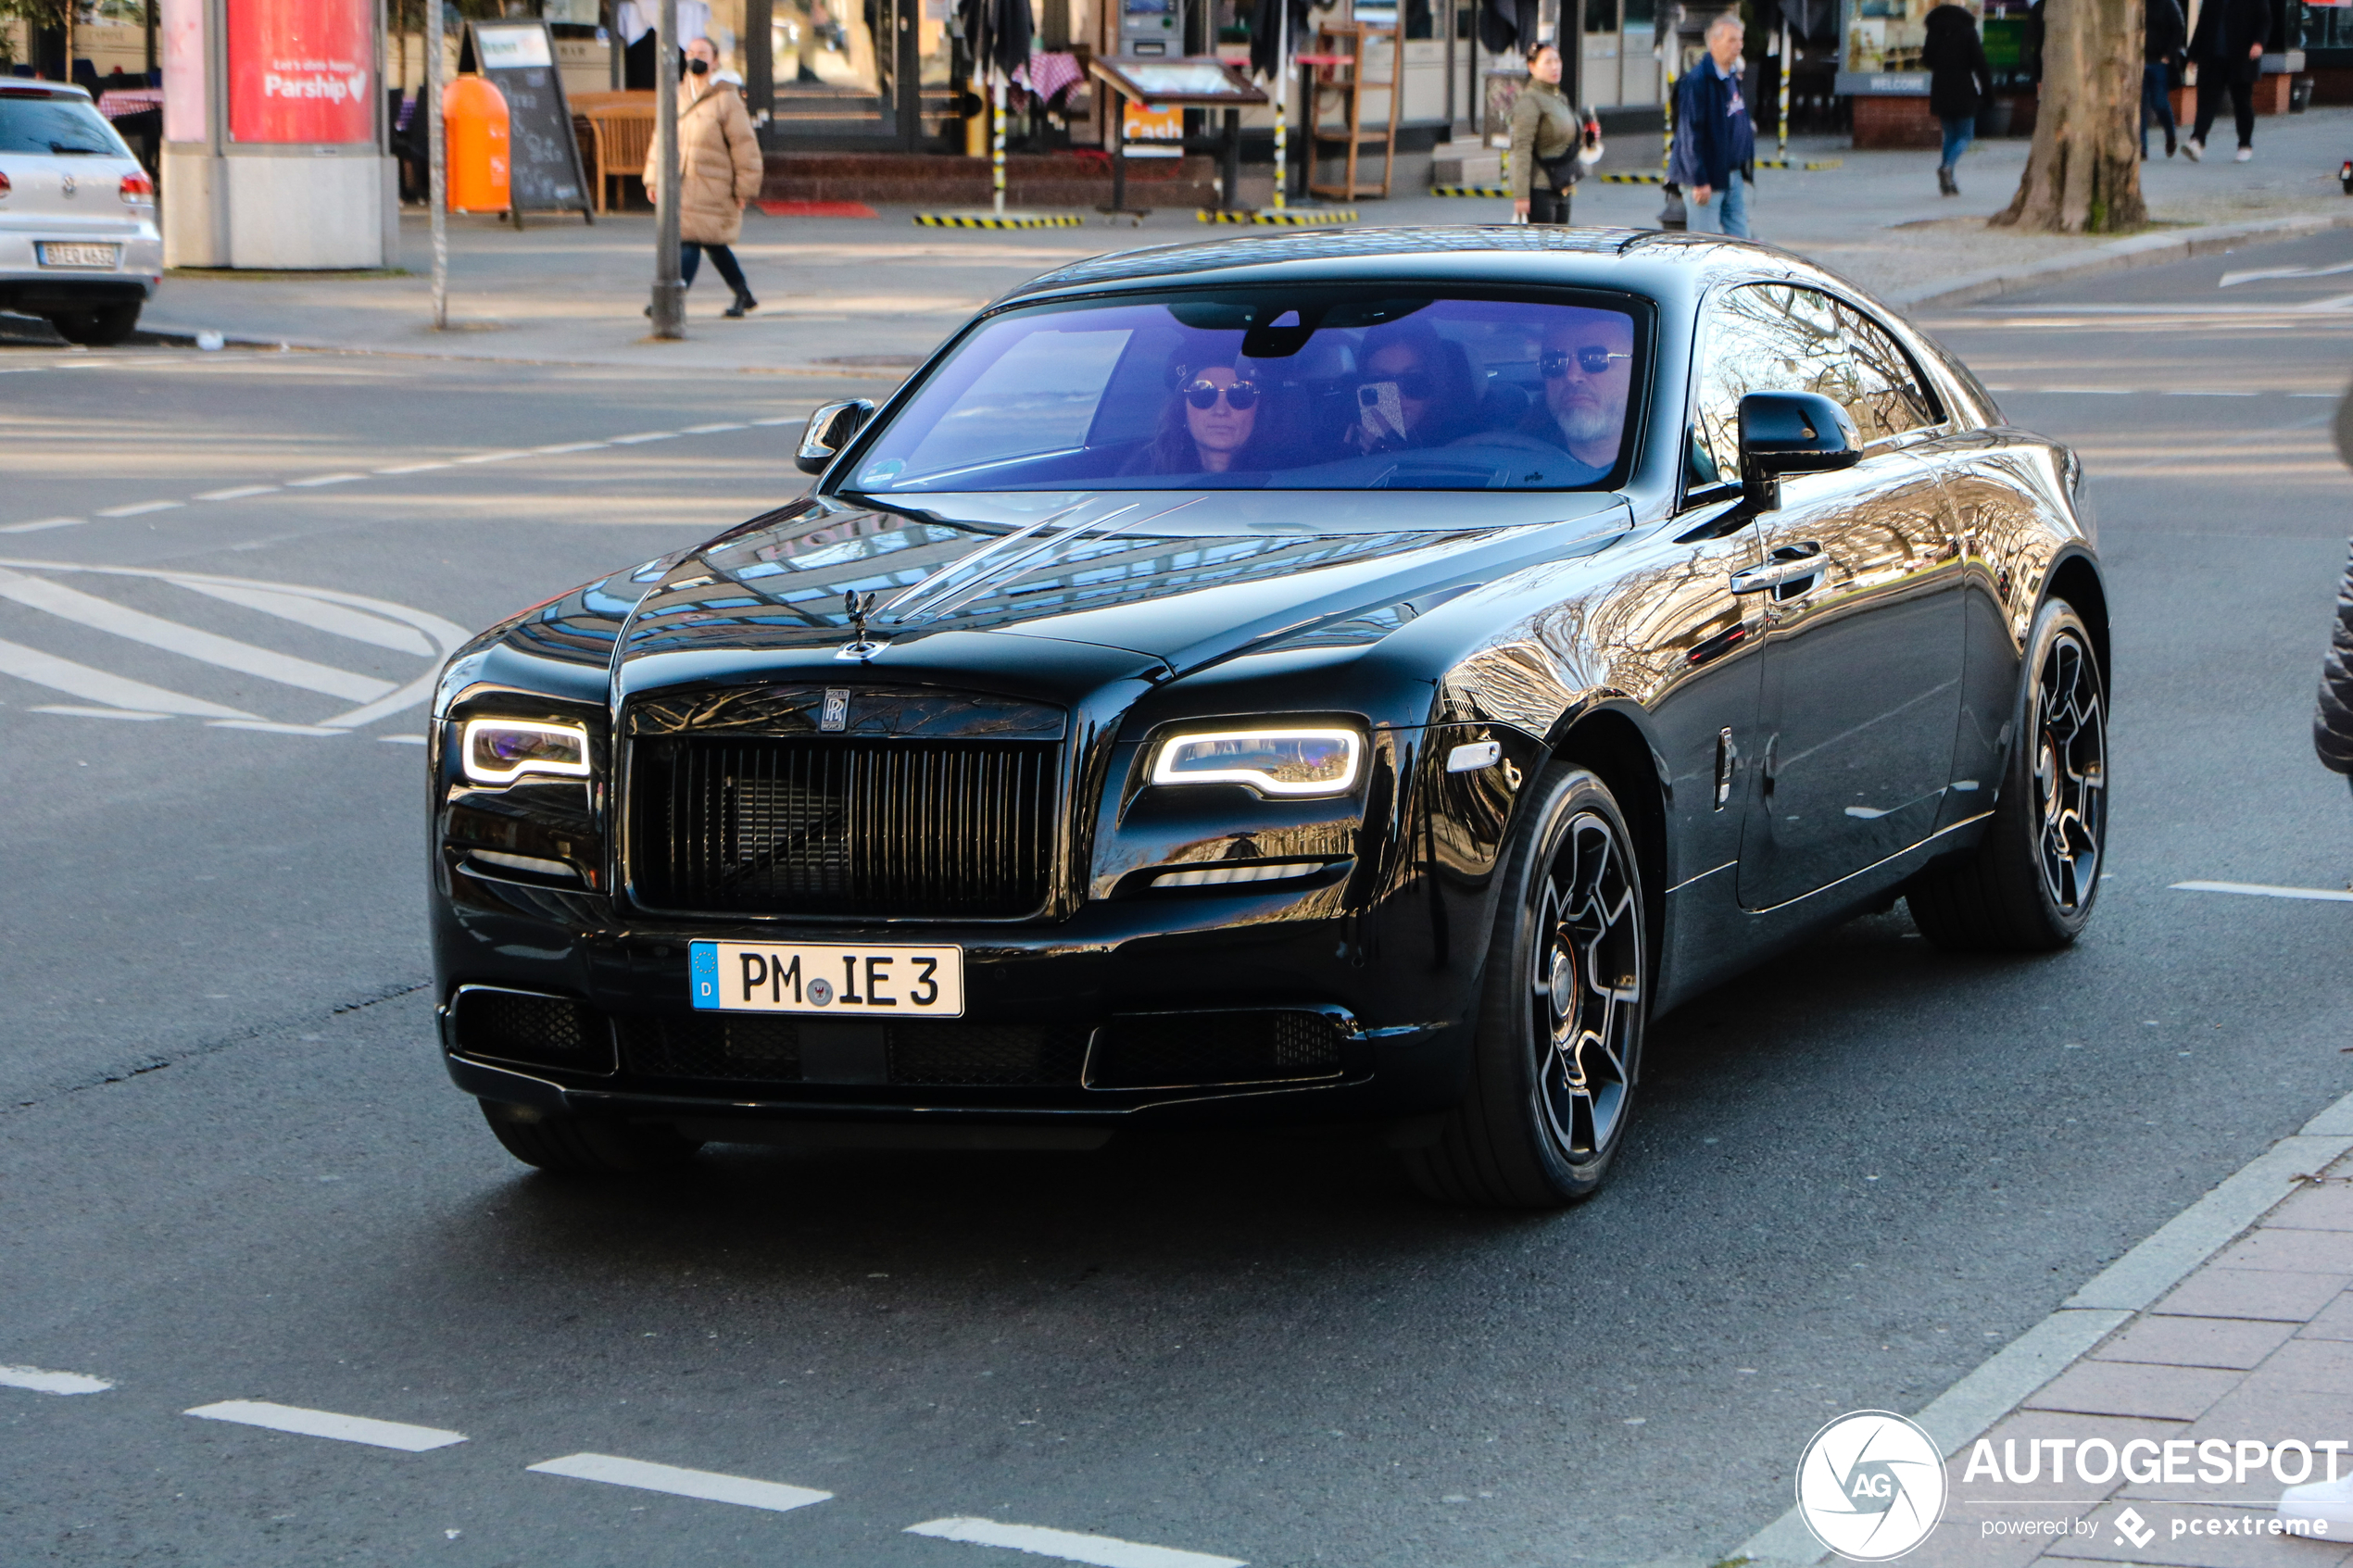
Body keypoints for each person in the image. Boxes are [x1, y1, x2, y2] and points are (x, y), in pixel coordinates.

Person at [642, 36, 765, 318]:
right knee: (712, 243)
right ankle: (743, 294)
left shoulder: (726, 99)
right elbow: (660, 139)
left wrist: (744, 189)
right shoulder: (676, 95)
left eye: (702, 52)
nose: (695, 57)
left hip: (715, 186)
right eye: (691, 52)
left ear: (715, 61)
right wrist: (653, 178)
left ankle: (670, 299)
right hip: (684, 184)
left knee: (692, 241)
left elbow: (745, 146)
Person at [1668, 12, 1755, 239]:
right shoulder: (1697, 81)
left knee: (1742, 241)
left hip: (1732, 173)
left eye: (1740, 39)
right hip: (1707, 177)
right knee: (1705, 243)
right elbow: (1689, 134)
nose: (1739, 46)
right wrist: (1699, 180)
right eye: (1732, 40)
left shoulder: (1732, 77)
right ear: (1714, 42)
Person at [1523, 311, 1635, 479]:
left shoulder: (1672, 463)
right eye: (1554, 362)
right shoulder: (1513, 461)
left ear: (1638, 369)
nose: (1571, 376)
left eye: (1594, 358)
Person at [1350, 322, 1478, 452]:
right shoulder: (1342, 438)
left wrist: (1399, 455)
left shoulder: (1469, 447)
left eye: (1414, 380)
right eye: (1380, 381)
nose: (1398, 395)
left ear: (1436, 382)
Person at [1130, 359, 1269, 475]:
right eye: (1203, 393)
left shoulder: (1287, 476)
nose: (1220, 410)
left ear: (1259, 409)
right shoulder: (1143, 474)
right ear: (1181, 409)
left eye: (1240, 394)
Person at [1508, 42, 1583, 226]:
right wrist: (1521, 196)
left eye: (1557, 60)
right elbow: (1521, 149)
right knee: (1543, 249)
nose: (1555, 66)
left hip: (1562, 184)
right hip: (1540, 188)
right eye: (1548, 62)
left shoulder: (1559, 98)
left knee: (1560, 250)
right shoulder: (1530, 101)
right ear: (1532, 67)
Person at [2184, 0, 2267, 162]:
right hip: (2213, 57)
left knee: (2242, 102)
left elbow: (2265, 20)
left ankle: (2245, 145)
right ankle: (2197, 141)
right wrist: (2193, 55)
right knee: (2207, 101)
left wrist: (2259, 43)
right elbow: (2203, 25)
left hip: (2241, 58)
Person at [1921, 4, 1990, 196]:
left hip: (1940, 87)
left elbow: (1926, 59)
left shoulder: (1934, 32)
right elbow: (1980, 63)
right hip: (1963, 87)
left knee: (1950, 135)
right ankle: (1947, 167)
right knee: (1966, 136)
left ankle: (1948, 181)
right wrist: (1988, 92)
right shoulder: (1968, 32)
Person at [2143, 0, 2185, 158]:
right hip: (2139, 61)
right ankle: (2142, 148)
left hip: (2159, 61)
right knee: (2140, 106)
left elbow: (2179, 27)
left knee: (2159, 102)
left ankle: (2170, 134)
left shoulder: (2167, 3)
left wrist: (2169, 54)